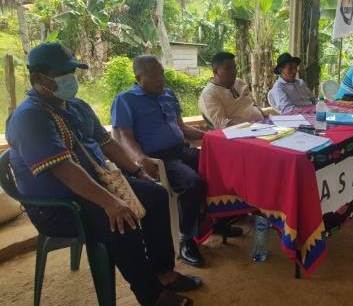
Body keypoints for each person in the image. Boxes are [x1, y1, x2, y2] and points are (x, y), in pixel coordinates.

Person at [6, 42, 200, 306]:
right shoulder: (30, 118)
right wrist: (111, 202)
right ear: (38, 78)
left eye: (72, 72)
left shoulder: (76, 106)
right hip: (61, 206)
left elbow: (107, 143)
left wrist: (137, 172)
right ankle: (151, 296)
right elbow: (65, 170)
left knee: (155, 194)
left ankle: (163, 273)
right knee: (122, 217)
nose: (70, 79)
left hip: (97, 184)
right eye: (62, 73)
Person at [111, 55, 242, 267]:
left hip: (182, 150)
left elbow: (182, 129)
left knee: (223, 168)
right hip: (160, 158)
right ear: (138, 77)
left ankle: (217, 221)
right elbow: (125, 136)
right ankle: (186, 239)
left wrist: (210, 136)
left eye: (161, 73)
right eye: (154, 75)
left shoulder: (168, 94)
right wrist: (140, 158)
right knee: (193, 183)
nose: (161, 79)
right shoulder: (125, 100)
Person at [199, 52, 264, 129]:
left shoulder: (239, 82)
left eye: (234, 67)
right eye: (228, 68)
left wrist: (263, 115)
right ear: (215, 72)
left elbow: (253, 103)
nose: (233, 72)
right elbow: (222, 124)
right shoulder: (209, 94)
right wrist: (251, 127)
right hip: (243, 134)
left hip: (263, 126)